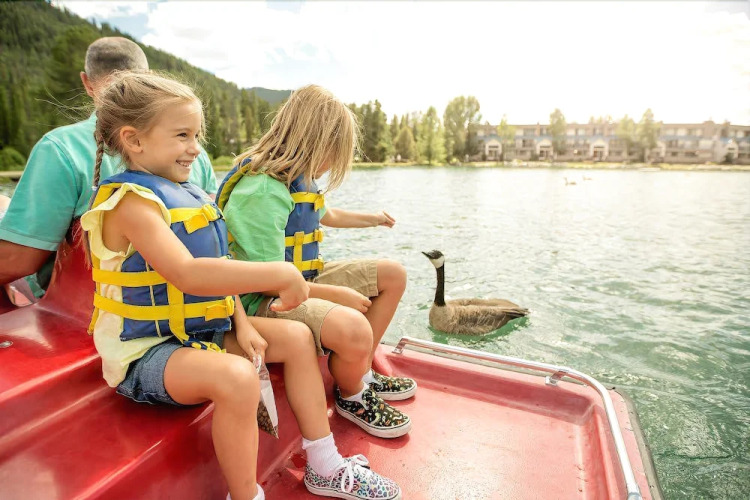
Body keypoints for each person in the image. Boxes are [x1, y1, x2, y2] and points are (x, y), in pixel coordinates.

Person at [83, 71, 401, 500]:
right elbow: (188, 274)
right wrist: (280, 274)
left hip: (199, 331)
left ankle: (325, 464)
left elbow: (219, 265)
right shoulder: (132, 205)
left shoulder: (188, 194)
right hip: (146, 353)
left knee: (296, 338)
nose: (195, 148)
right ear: (133, 140)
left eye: (196, 135)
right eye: (182, 135)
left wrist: (242, 321)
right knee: (236, 378)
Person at [216, 85, 416, 440]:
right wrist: (336, 295)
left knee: (393, 275)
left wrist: (373, 218)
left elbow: (327, 214)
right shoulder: (261, 192)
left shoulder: (300, 179)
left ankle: (361, 373)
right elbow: (269, 283)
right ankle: (352, 395)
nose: (332, 165)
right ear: (313, 142)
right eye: (333, 154)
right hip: (261, 301)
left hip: (303, 278)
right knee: (354, 327)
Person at [0, 37, 218, 292]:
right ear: (149, 80)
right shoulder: (193, 155)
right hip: (184, 301)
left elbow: (21, 260)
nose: (194, 144)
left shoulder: (59, 147)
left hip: (85, 306)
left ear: (86, 82)